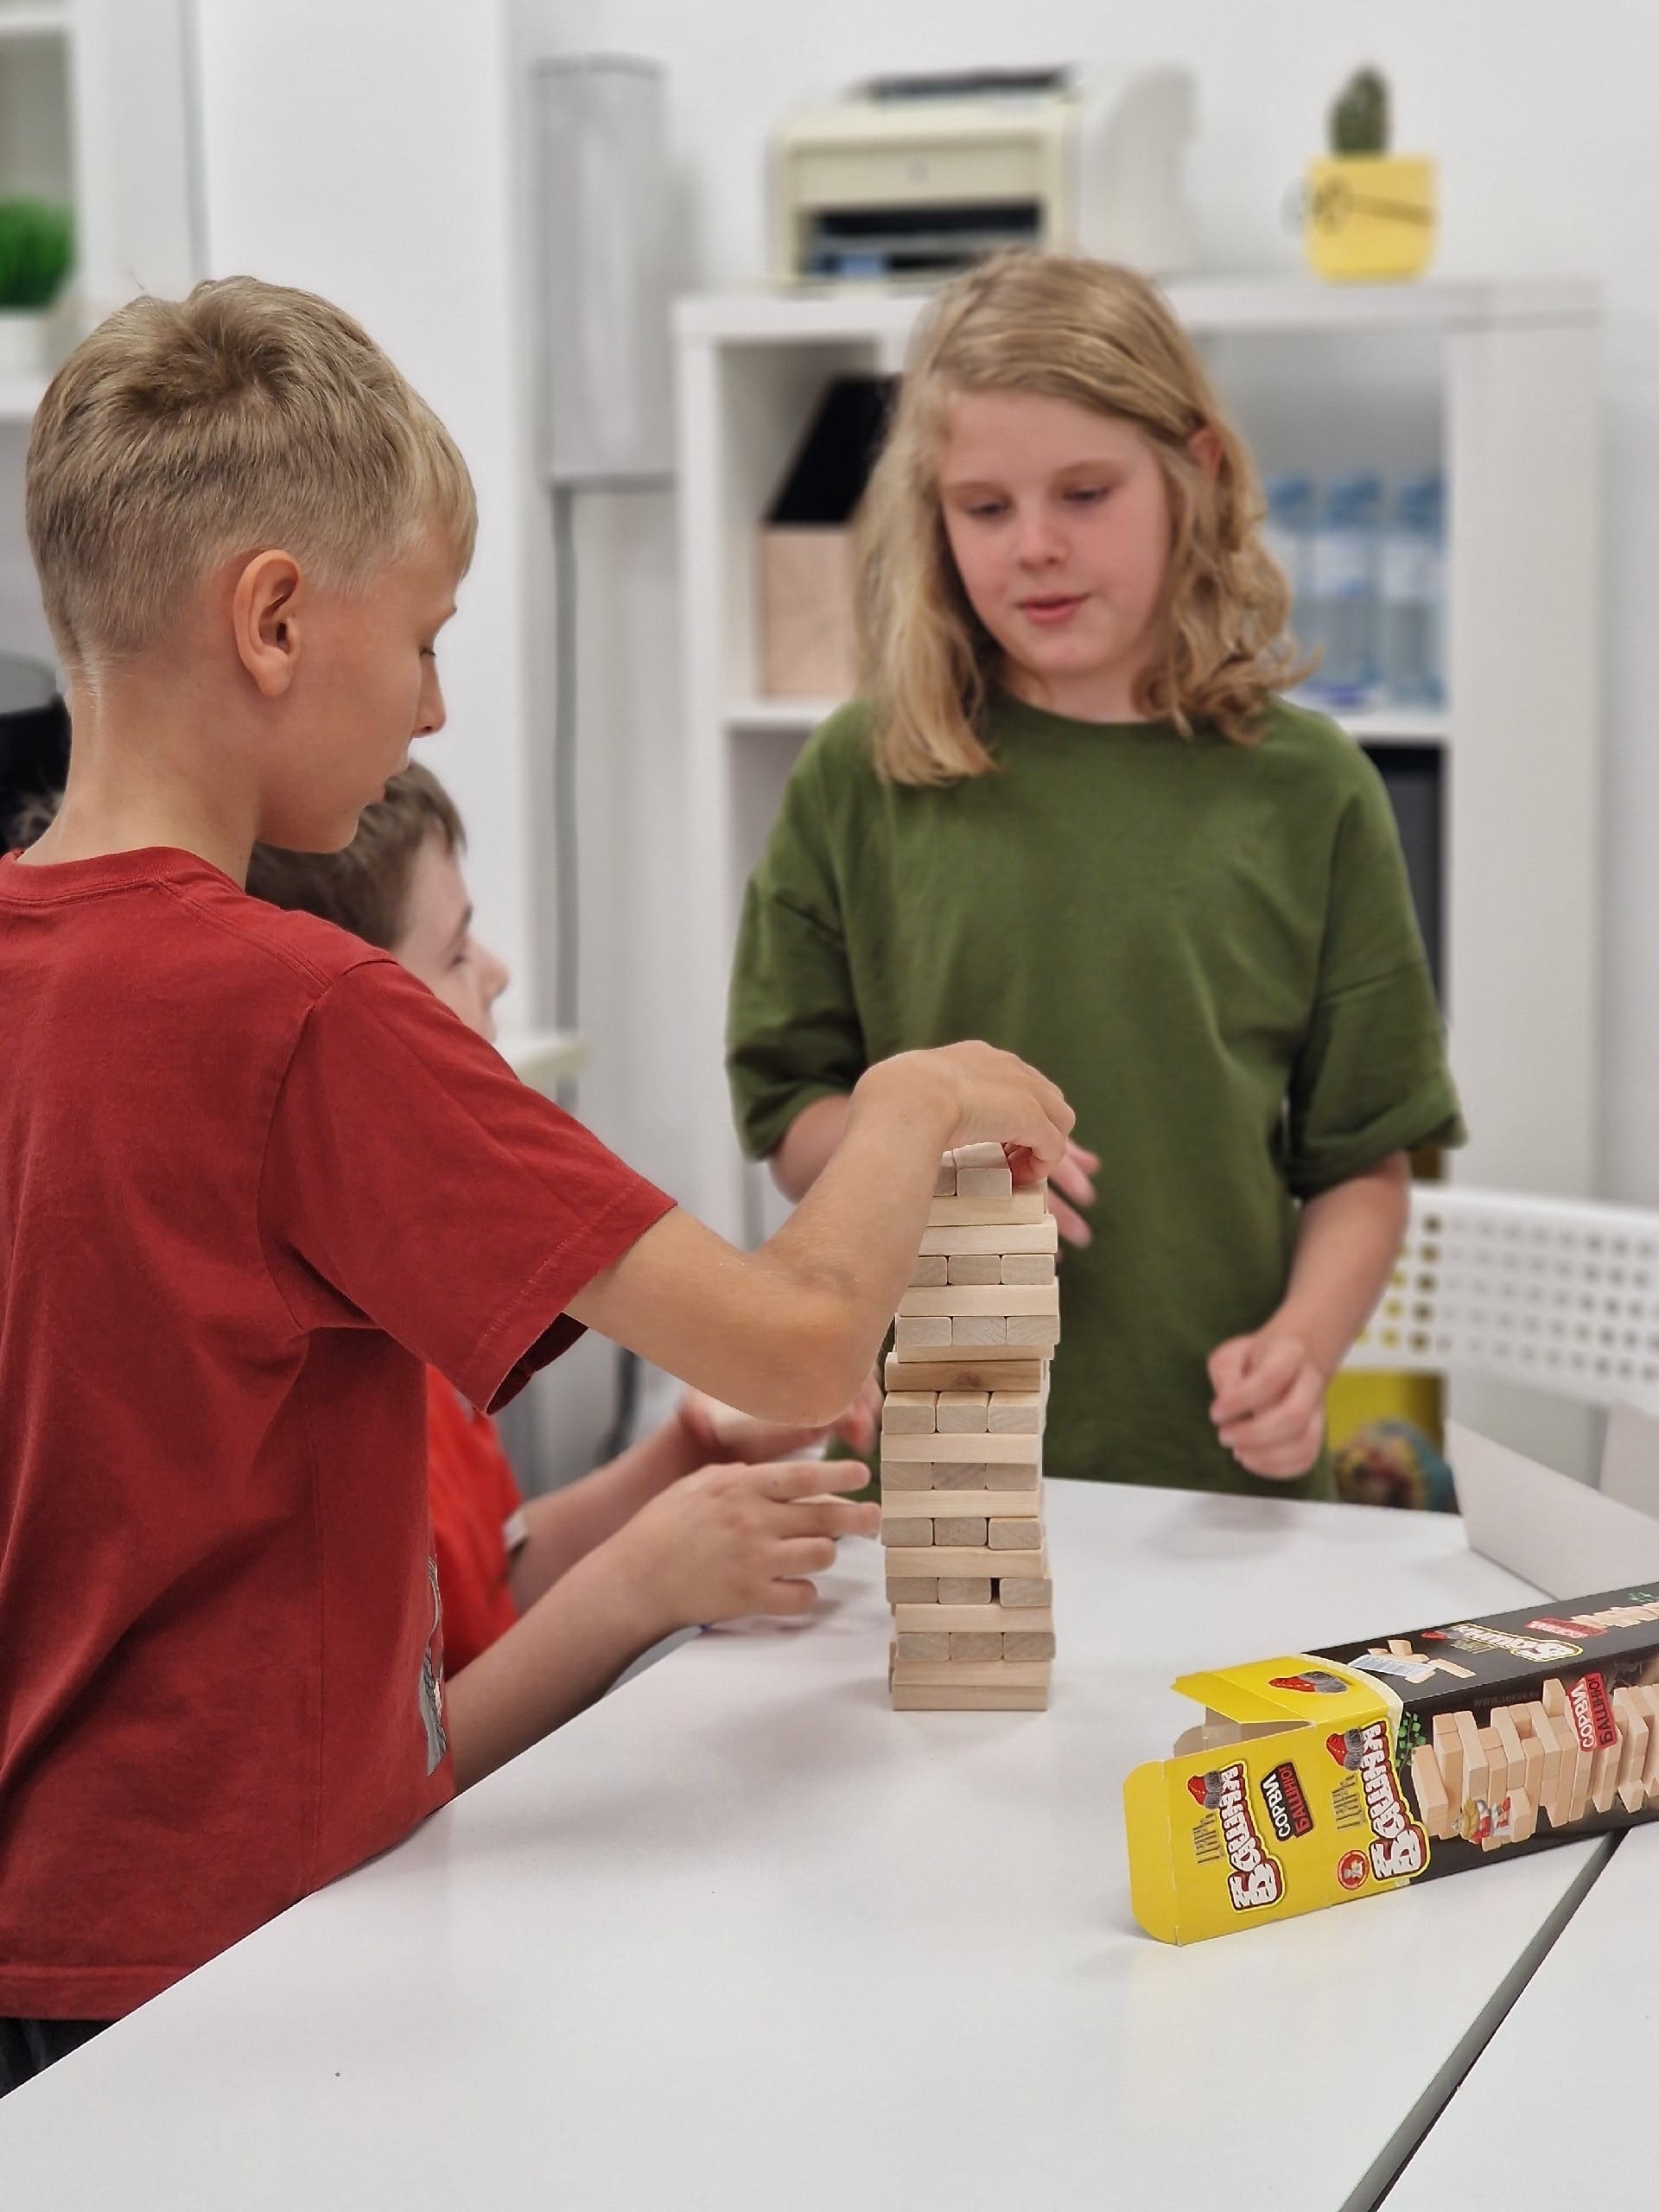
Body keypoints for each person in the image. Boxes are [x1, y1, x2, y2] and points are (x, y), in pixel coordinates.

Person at [0, 274, 1072, 2082]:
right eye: (423, 636)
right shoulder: (306, 1009)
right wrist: (907, 1100)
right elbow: (806, 1340)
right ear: (271, 619)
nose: (430, 702)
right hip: (242, 1964)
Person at [727, 251, 1463, 1498]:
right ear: (932, 517)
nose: (1037, 550)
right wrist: (922, 1149)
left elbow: (1363, 1163)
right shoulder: (864, 773)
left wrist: (1305, 1347)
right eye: (986, 508)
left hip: (1217, 1485)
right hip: (942, 1478)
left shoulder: (1310, 790)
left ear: (1196, 475)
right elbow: (790, 1113)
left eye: (1085, 492)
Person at [245, 761, 880, 1675]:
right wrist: (638, 1584)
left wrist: (685, 1450)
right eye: (458, 952)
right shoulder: (304, 1398)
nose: (498, 972)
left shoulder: (404, 1314)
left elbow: (490, 1577)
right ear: (363, 1022)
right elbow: (409, 1757)